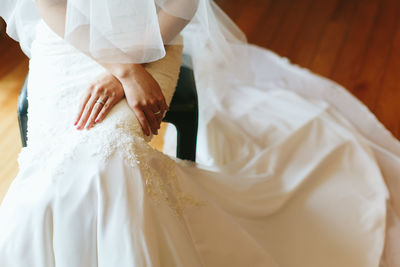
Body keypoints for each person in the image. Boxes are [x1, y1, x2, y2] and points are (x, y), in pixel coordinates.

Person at [0, 0, 399, 266]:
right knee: (50, 173)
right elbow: (50, 4)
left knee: (109, 161)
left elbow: (182, 3)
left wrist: (132, 63)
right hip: (71, 41)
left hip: (151, 35)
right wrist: (121, 70)